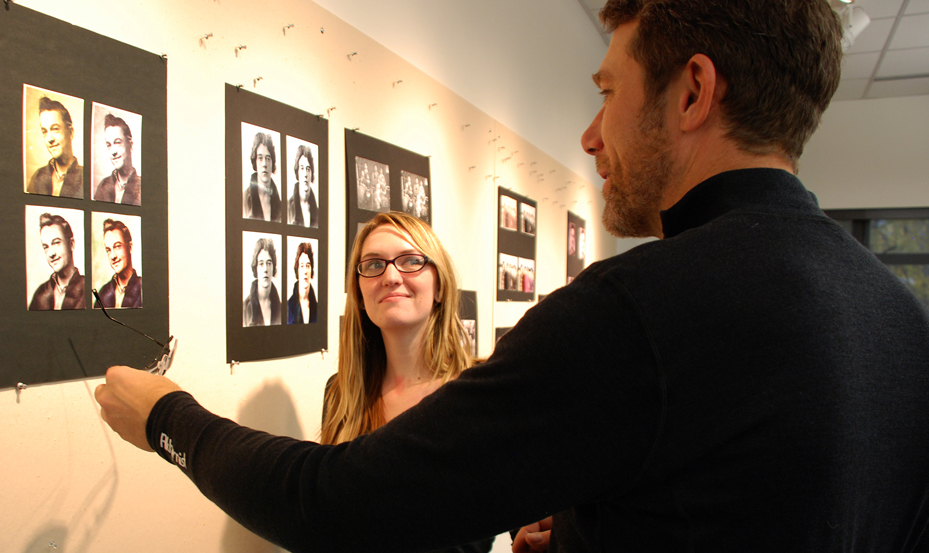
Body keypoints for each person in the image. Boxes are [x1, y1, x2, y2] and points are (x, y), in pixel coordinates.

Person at [96, 2, 929, 552]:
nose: (591, 134)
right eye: (371, 264)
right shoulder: (899, 318)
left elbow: (339, 507)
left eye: (608, 91)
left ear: (691, 93)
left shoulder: (634, 309)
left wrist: (169, 417)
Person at [319, 213, 494, 552]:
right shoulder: (341, 394)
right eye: (373, 265)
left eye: (411, 261)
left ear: (440, 285)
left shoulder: (480, 391)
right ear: (358, 292)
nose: (391, 276)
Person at [27, 97, 83, 199]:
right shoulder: (38, 176)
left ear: (70, 133)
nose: (49, 139)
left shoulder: (85, 178)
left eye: (55, 129)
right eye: (45, 131)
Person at [29, 213, 85, 310]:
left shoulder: (86, 288)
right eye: (46, 247)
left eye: (56, 243)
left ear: (71, 244)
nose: (51, 253)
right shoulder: (40, 294)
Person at [93, 218, 142, 309]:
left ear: (130, 247)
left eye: (117, 246)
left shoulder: (142, 288)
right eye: (108, 250)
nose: (112, 256)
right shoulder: (103, 293)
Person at [94, 114, 141, 205]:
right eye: (109, 145)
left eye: (118, 142)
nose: (113, 152)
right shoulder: (103, 186)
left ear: (130, 145)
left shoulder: (142, 188)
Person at [243, 133, 281, 222]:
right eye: (260, 158)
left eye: (268, 159)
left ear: (272, 163)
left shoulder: (281, 206)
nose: (264, 164)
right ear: (255, 161)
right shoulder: (243, 199)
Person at [243, 237, 281, 326]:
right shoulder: (243, 308)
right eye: (261, 264)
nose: (265, 269)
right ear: (255, 268)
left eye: (269, 263)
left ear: (273, 267)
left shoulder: (283, 308)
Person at [286, 241, 318, 324]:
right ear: (297, 270)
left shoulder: (318, 308)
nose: (305, 271)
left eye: (308, 266)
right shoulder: (288, 308)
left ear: (311, 270)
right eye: (302, 266)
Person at [288, 145, 319, 228]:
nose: (305, 174)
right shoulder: (288, 207)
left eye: (308, 169)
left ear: (312, 174)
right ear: (297, 171)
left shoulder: (318, 212)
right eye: (302, 168)